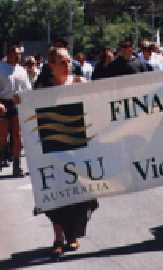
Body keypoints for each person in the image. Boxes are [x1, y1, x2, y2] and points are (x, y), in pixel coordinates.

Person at [35, 47, 98, 257]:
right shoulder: (43, 87)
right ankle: (58, 238)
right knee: (56, 193)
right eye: (62, 61)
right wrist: (19, 101)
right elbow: (29, 108)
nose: (67, 64)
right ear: (51, 65)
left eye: (68, 60)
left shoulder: (79, 82)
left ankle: (71, 235)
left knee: (79, 193)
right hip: (52, 145)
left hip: (78, 144)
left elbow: (103, 99)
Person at [0, 45, 31, 176]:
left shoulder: (22, 70)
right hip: (2, 103)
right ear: (9, 54)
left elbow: (28, 88)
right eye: (16, 53)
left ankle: (17, 166)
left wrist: (24, 97)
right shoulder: (1, 68)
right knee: (2, 136)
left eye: (19, 54)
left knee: (17, 136)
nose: (19, 56)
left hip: (16, 104)